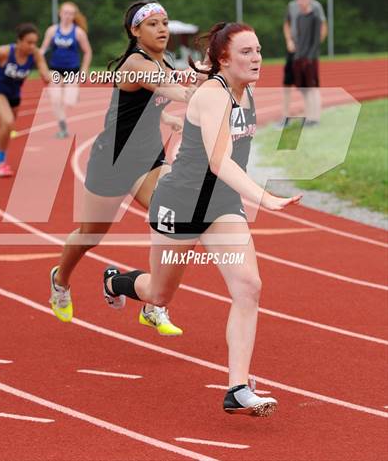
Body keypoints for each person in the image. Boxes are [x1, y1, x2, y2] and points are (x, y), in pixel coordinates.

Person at [103, 22, 302, 416]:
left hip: (222, 206)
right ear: (225, 59)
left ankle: (238, 387)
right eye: (246, 51)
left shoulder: (245, 89)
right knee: (158, 295)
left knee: (249, 286)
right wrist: (264, 198)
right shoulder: (214, 95)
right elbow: (218, 160)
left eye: (259, 49)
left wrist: (186, 117)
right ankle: (115, 280)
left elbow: (220, 137)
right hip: (180, 206)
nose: (257, 57)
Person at [49, 0, 196, 335]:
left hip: (147, 158)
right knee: (91, 235)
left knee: (175, 217)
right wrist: (198, 88)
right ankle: (60, 280)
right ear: (136, 30)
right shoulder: (135, 62)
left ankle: (153, 302)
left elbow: (152, 100)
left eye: (165, 23)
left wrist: (167, 116)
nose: (162, 29)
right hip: (112, 160)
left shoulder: (165, 60)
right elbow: (166, 88)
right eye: (153, 24)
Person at [0, 23, 50, 176]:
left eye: (35, 43)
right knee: (8, 121)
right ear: (19, 41)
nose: (32, 46)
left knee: (7, 128)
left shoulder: (36, 54)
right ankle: (0, 161)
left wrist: (47, 76)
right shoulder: (6, 52)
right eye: (29, 42)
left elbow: (44, 70)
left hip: (14, 96)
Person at [40, 1, 92, 138]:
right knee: (55, 99)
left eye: (71, 13)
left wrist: (84, 69)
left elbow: (87, 52)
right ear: (60, 13)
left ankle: (73, 92)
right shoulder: (52, 31)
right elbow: (43, 49)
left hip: (72, 71)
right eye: (65, 13)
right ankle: (63, 127)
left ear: (74, 16)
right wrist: (38, 60)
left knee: (69, 101)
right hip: (55, 70)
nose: (68, 16)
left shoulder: (78, 33)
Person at [281, 0, 327, 125]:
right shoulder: (292, 6)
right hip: (294, 49)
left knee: (310, 83)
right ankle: (286, 116)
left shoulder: (315, 7)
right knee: (289, 82)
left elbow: (322, 26)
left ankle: (313, 117)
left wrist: (313, 47)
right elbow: (287, 24)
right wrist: (289, 41)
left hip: (308, 51)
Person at [292, 0, 323, 125]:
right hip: (299, 57)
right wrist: (297, 56)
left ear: (309, 0)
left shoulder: (315, 18)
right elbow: (299, 39)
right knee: (304, 89)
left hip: (310, 59)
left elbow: (316, 40)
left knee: (313, 88)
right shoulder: (298, 17)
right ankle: (308, 115)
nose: (301, 2)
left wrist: (309, 58)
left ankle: (315, 117)